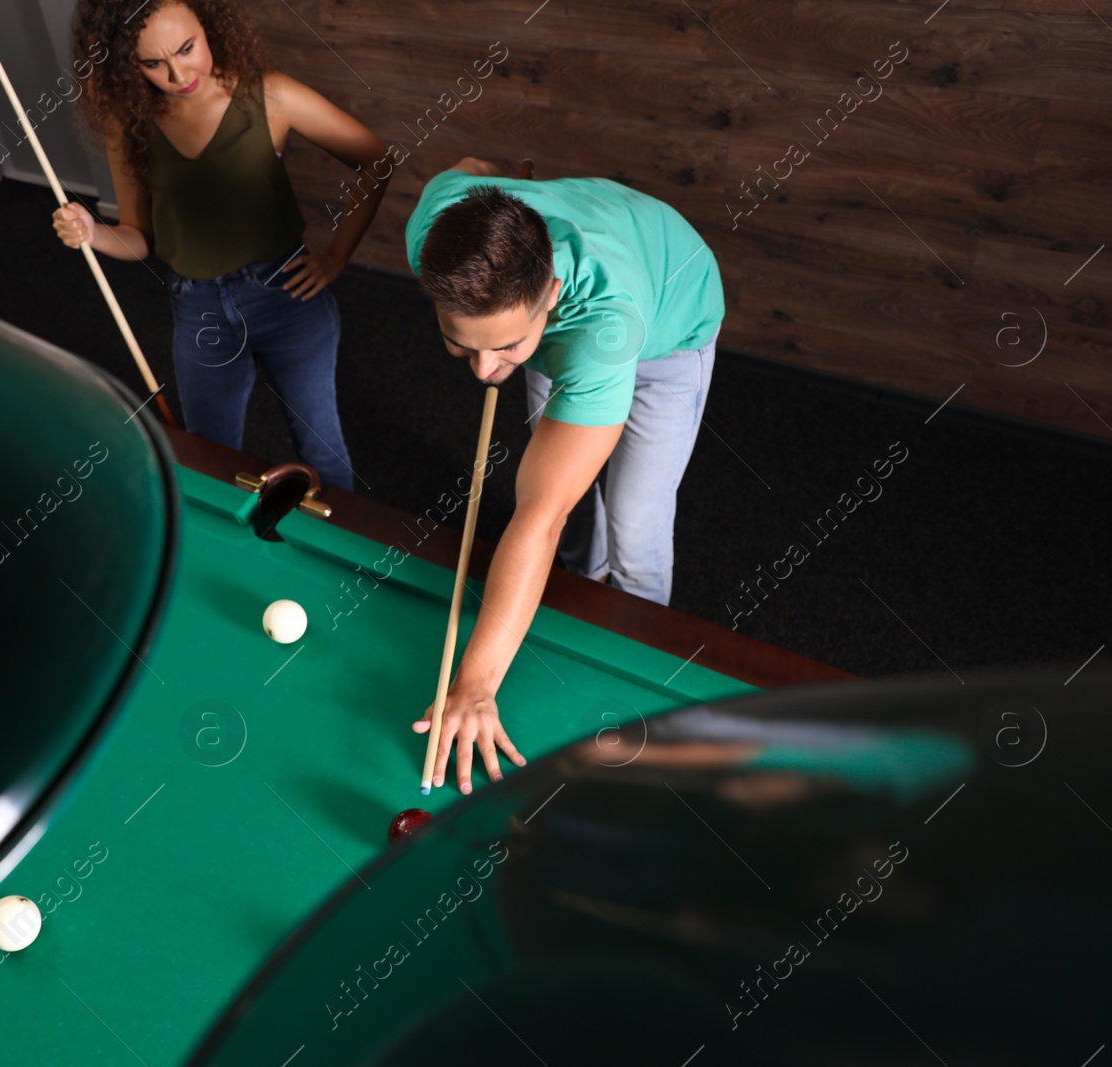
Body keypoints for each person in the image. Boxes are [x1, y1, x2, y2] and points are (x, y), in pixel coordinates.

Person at [404, 157, 724, 793]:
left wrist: (474, 684)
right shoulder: (436, 228)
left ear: (549, 294)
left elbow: (536, 516)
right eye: (462, 344)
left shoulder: (604, 322)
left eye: (504, 349)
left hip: (670, 319)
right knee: (571, 503)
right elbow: (466, 170)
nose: (484, 370)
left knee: (632, 515)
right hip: (562, 306)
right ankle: (586, 578)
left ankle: (634, 660)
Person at [56, 0, 389, 490]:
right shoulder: (128, 125)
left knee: (322, 456)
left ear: (208, 26)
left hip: (287, 299)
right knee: (209, 463)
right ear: (127, 64)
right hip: (199, 311)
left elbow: (376, 161)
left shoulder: (270, 96)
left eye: (187, 49)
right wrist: (92, 233)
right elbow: (139, 240)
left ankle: (348, 564)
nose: (177, 73)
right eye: (153, 63)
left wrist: (335, 256)